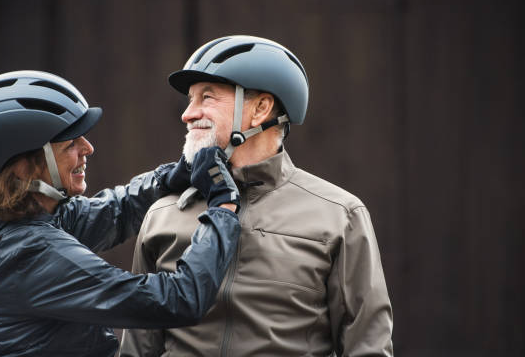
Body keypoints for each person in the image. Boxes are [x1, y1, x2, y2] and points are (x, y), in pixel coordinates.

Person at [120, 35, 393, 356]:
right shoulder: (163, 214)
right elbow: (137, 347)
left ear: (261, 108)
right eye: (190, 100)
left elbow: (367, 347)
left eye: (207, 97)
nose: (188, 114)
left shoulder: (339, 216)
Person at [0, 70, 242, 357]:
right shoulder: (27, 256)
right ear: (25, 167)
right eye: (70, 145)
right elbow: (177, 300)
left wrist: (170, 177)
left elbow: (117, 211)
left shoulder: (20, 218)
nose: (88, 148)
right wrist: (223, 207)